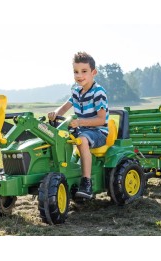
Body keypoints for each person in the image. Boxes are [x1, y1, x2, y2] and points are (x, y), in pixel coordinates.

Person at [48, 51, 109, 199]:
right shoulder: (76, 91)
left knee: (82, 140)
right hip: (81, 129)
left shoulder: (98, 92)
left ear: (93, 72)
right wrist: (55, 113)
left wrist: (80, 122)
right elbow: (64, 107)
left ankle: (86, 182)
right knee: (57, 137)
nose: (79, 75)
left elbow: (101, 120)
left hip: (98, 132)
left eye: (84, 71)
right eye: (76, 72)